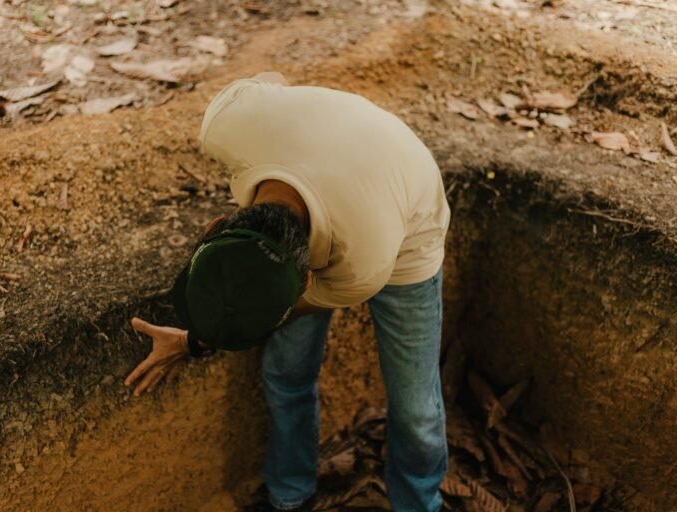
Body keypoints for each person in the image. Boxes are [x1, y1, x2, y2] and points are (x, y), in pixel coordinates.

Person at [125, 72, 451, 512]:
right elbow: (266, 82)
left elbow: (275, 312)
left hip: (409, 220)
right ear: (215, 227)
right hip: (354, 156)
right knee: (285, 369)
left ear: (309, 281)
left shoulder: (362, 266)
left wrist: (191, 343)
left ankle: (418, 502)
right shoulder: (224, 126)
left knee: (415, 407)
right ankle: (290, 495)